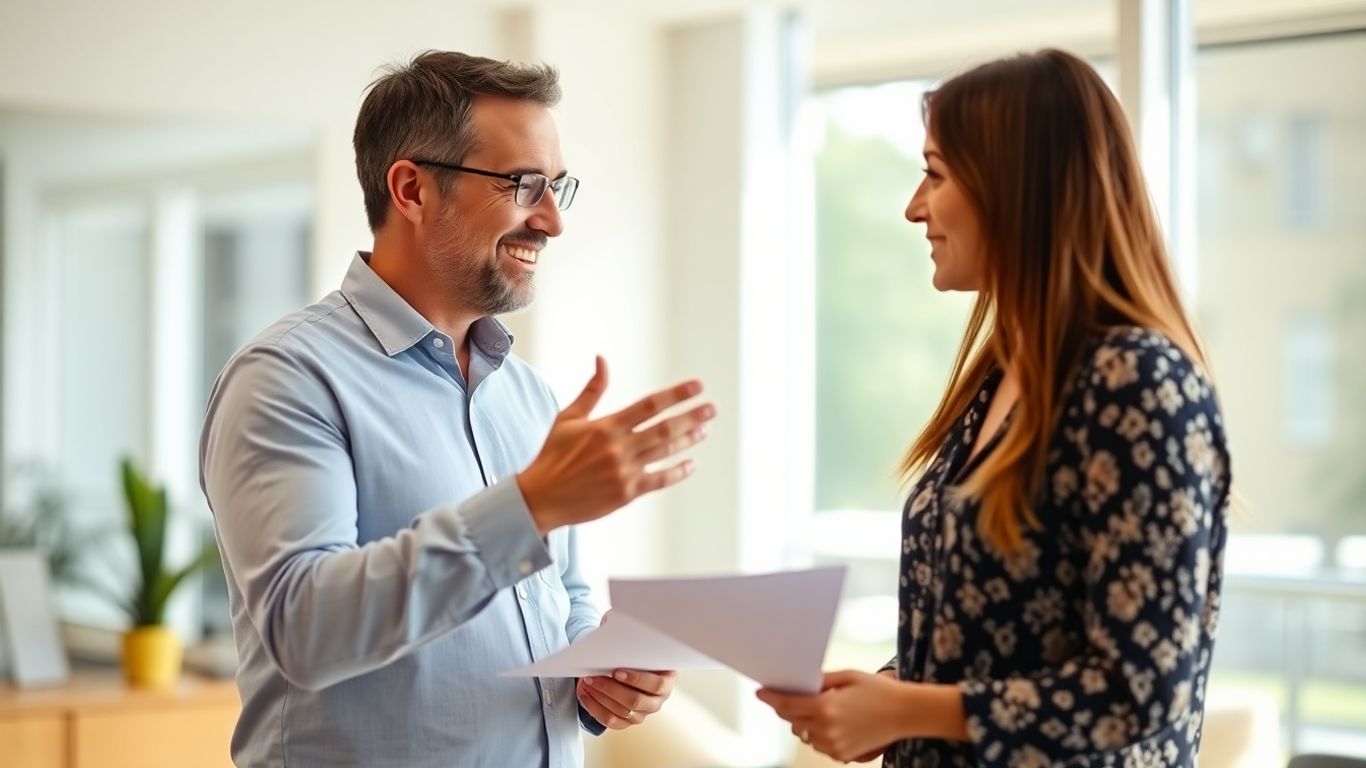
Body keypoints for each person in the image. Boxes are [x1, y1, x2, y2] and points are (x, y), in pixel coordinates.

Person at [199, 51, 715, 768]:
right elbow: (304, 628)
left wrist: (599, 673)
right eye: (524, 185)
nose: (552, 221)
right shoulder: (288, 378)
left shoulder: (528, 394)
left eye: (558, 186)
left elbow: (556, 595)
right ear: (411, 188)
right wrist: (529, 507)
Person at [757, 49, 1231, 767]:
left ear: (1018, 191)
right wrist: (884, 697)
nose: (914, 206)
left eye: (936, 173)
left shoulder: (1137, 381)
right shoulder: (1002, 382)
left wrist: (908, 708)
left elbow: (1142, 688)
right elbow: (992, 637)